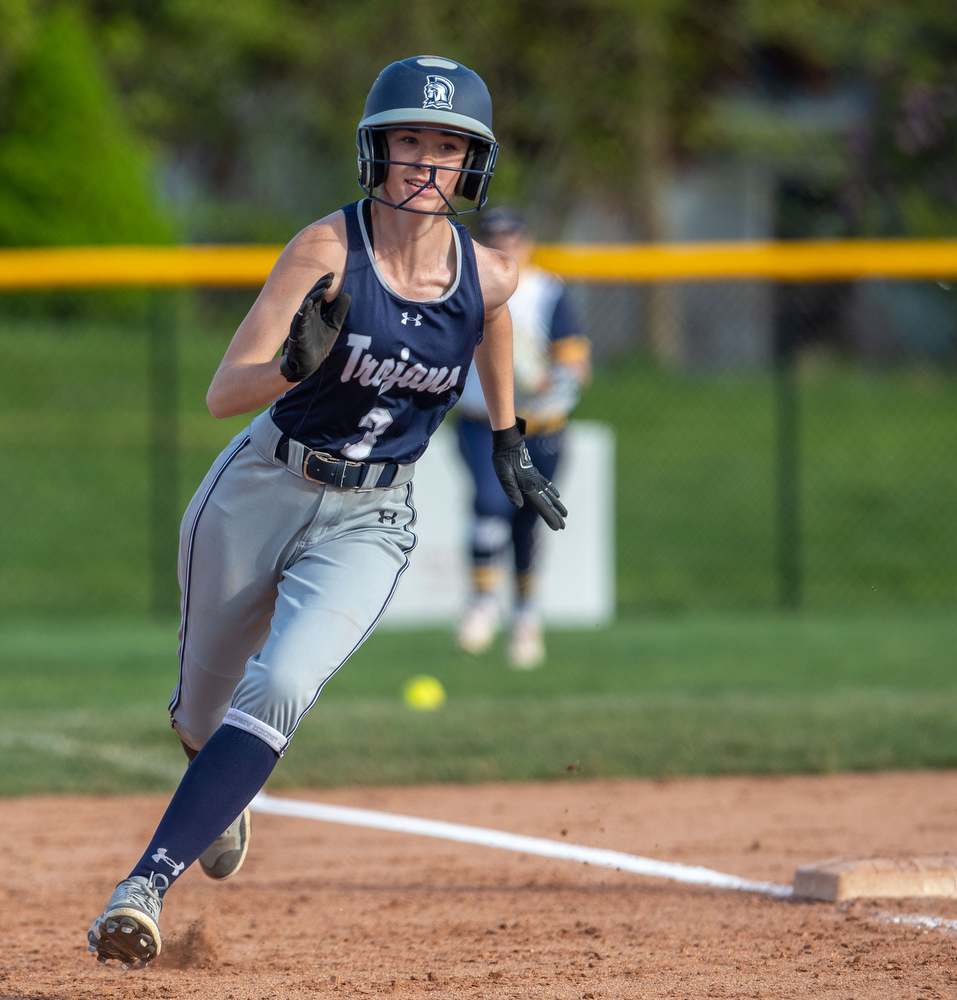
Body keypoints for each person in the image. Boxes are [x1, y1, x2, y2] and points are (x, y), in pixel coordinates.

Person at [86, 55, 566, 971]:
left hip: (372, 518)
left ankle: (141, 885)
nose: (428, 163)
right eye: (411, 141)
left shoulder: (487, 270)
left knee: (282, 686)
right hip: (259, 489)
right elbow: (226, 394)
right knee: (200, 712)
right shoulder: (327, 251)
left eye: (449, 147)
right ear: (376, 151)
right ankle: (218, 781)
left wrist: (509, 437)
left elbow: (494, 311)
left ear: (474, 167)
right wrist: (294, 368)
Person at [455, 209, 589, 668]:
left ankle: (526, 615)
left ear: (527, 242)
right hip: (483, 421)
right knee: (491, 502)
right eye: (493, 237)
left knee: (528, 524)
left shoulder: (547, 291)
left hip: (542, 427)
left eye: (512, 236)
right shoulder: (463, 286)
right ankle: (482, 601)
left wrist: (558, 380)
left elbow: (575, 360)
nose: (504, 244)